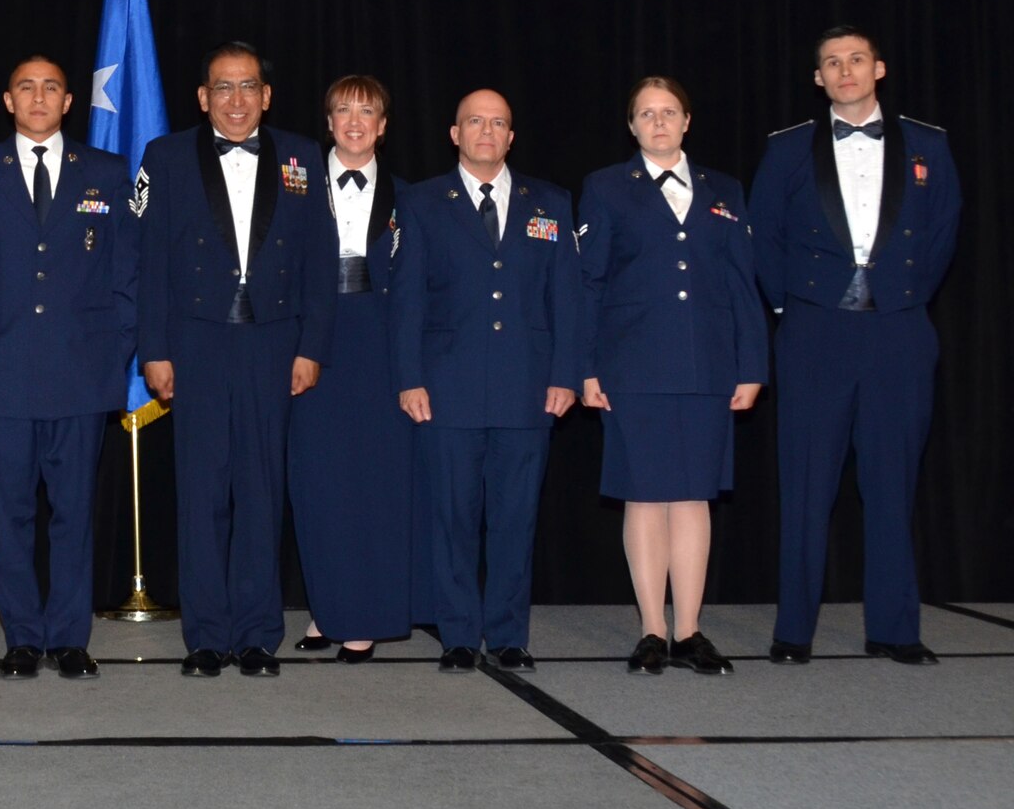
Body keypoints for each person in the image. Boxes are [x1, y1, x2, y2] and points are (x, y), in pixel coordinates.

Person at [749, 26, 960, 666]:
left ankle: (895, 629)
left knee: (892, 482)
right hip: (816, 333)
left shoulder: (929, 144)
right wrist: (792, 306)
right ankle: (794, 632)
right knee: (807, 484)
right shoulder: (787, 150)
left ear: (879, 69)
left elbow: (945, 230)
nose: (845, 71)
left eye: (856, 60)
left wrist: (900, 297)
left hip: (898, 332)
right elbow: (764, 235)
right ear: (819, 79)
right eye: (832, 63)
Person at [136, 41, 335, 678]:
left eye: (249, 86)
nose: (237, 100)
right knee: (201, 492)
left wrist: (312, 347)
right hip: (194, 343)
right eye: (223, 87)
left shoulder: (304, 158)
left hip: (273, 344)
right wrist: (155, 351)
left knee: (260, 489)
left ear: (267, 96)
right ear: (202, 98)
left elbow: (320, 262)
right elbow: (150, 263)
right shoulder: (164, 158)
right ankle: (205, 636)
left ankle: (255, 634)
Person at [0, 56, 136, 680]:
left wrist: (115, 357)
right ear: (7, 101)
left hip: (81, 372)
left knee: (75, 512)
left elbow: (125, 276)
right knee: (12, 512)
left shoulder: (105, 173)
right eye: (26, 87)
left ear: (69, 100)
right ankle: (24, 636)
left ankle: (70, 637)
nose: (38, 96)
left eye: (51, 86)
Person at [577, 77, 766, 676]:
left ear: (687, 121)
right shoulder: (606, 188)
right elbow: (589, 284)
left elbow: (743, 284)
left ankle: (689, 630)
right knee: (644, 494)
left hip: (708, 364)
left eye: (669, 113)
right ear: (631, 126)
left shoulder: (725, 190)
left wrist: (753, 364)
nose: (658, 123)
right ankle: (651, 630)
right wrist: (585, 367)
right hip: (633, 365)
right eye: (646, 114)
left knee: (693, 496)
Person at [390, 88, 578, 674]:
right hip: (447, 389)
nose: (487, 132)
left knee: (516, 517)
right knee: (453, 517)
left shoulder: (550, 202)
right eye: (475, 122)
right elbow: (407, 303)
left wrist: (566, 374)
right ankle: (459, 636)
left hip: (528, 387)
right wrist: (409, 378)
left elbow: (568, 300)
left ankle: (509, 633)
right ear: (455, 133)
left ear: (511, 136)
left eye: (498, 123)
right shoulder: (421, 204)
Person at [287, 76, 412, 663]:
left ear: (383, 126)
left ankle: (364, 616)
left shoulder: (410, 197)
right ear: (329, 122)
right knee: (318, 480)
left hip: (380, 343)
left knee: (375, 481)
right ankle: (327, 608)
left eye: (368, 112)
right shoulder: (295, 187)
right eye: (343, 110)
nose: (355, 121)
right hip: (315, 337)